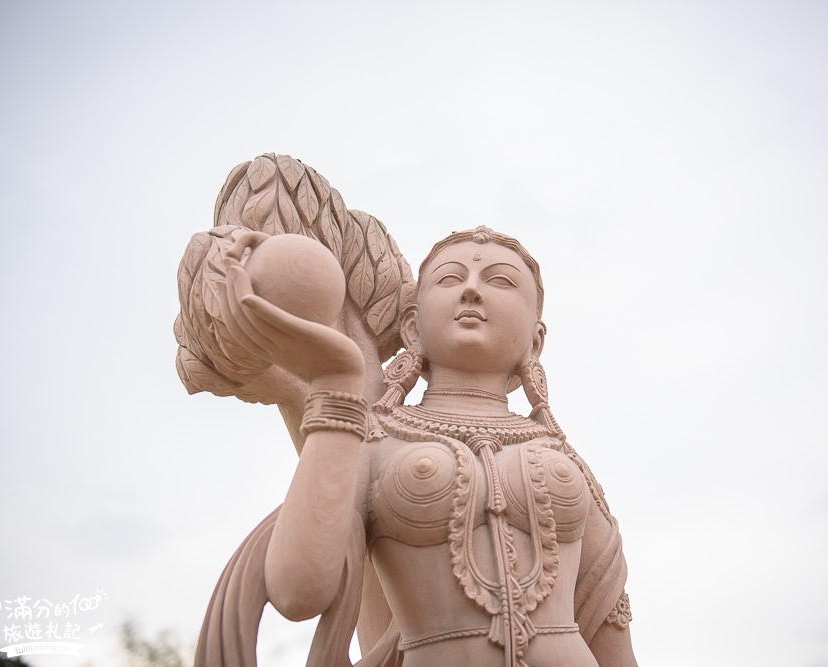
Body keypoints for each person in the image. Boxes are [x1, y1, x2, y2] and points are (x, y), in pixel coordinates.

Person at [179, 157, 636, 666]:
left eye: (502, 281)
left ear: (536, 338)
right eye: (449, 278)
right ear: (414, 328)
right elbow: (297, 591)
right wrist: (335, 385)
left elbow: (609, 624)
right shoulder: (376, 443)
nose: (472, 288)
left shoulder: (559, 455)